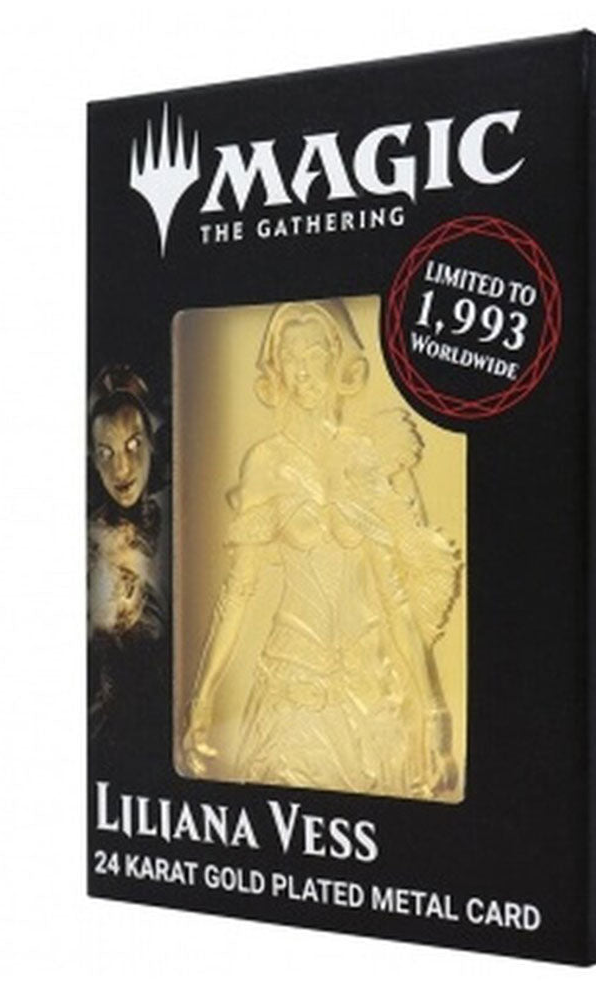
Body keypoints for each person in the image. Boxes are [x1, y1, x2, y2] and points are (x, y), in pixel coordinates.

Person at [182, 299, 460, 800]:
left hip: (369, 698)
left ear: (339, 359)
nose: (304, 370)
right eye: (291, 358)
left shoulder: (368, 457)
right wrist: (201, 700)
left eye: (314, 353)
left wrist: (434, 716)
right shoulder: (265, 464)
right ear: (276, 370)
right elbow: (238, 593)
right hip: (293, 693)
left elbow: (396, 601)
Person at [87, 364, 169, 755]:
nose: (120, 469)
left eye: (133, 445)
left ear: (153, 441)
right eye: (106, 453)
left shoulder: (180, 516)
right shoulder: (88, 537)